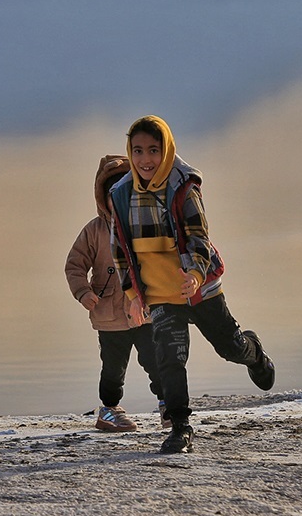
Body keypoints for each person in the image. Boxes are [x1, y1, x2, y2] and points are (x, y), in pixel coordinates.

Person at [109, 115, 275, 454]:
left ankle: (254, 353)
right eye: (138, 151)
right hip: (159, 294)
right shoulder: (122, 194)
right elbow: (120, 250)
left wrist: (196, 275)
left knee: (229, 348)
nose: (145, 160)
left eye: (153, 150)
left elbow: (199, 238)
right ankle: (181, 427)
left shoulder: (183, 187)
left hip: (199, 289)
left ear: (166, 150)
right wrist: (132, 295)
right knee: (169, 358)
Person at [66, 154, 165, 433]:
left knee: (157, 360)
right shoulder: (94, 231)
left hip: (146, 313)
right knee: (112, 369)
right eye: (113, 193)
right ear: (103, 198)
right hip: (108, 316)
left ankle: (168, 404)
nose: (120, 199)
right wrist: (83, 292)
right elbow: (74, 265)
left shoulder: (148, 226)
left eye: (127, 191)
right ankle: (109, 410)